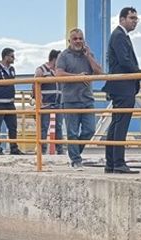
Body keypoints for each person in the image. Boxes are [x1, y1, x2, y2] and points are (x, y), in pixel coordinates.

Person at [54, 28, 102, 170]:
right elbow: (58, 74)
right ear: (70, 41)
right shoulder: (63, 56)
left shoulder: (87, 54)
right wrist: (77, 77)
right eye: (75, 39)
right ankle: (75, 160)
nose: (78, 41)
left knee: (90, 130)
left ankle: (75, 153)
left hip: (87, 98)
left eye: (80, 38)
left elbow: (99, 72)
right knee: (72, 132)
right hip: (70, 99)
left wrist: (89, 57)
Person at [104, 7, 141, 173]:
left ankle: (111, 163)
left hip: (121, 86)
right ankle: (117, 163)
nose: (134, 21)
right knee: (121, 124)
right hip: (123, 85)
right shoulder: (119, 36)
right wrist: (139, 73)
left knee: (116, 123)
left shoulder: (121, 35)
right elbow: (124, 61)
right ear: (122, 19)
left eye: (136, 19)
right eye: (132, 18)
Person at [0, 48, 20, 154]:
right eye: (11, 56)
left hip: (10, 103)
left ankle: (14, 148)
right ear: (6, 56)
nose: (13, 58)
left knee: (13, 126)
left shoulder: (12, 69)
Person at [34, 50, 64, 155]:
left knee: (59, 126)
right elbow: (35, 85)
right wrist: (38, 100)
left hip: (58, 102)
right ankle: (41, 150)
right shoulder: (41, 70)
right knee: (44, 126)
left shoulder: (59, 71)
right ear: (55, 59)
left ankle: (60, 149)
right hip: (45, 103)